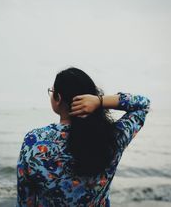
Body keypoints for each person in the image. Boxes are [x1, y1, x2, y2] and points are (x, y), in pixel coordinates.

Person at [16, 67, 151, 206]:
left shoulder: (33, 141)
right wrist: (100, 101)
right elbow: (143, 105)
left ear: (58, 98)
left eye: (52, 91)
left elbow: (25, 199)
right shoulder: (112, 137)